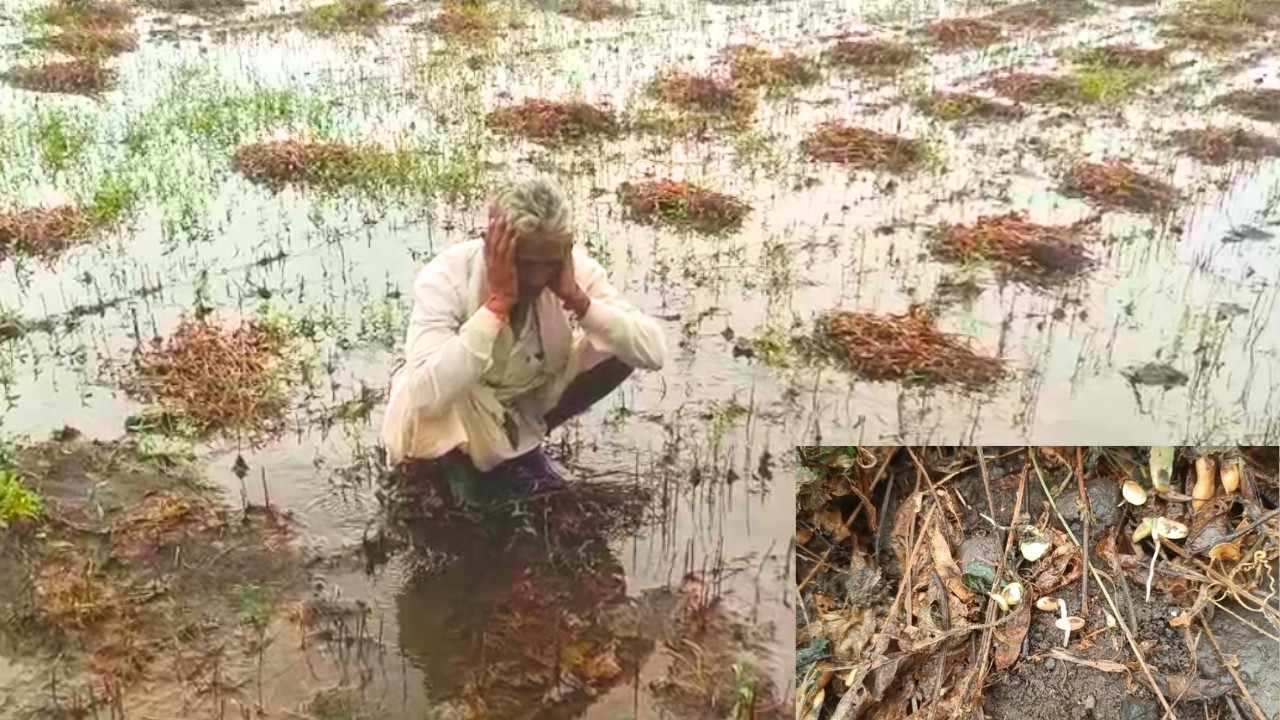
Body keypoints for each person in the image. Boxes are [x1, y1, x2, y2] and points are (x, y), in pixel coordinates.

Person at [381, 177, 667, 507]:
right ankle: (454, 466)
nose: (536, 278)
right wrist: (498, 305)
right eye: (524, 262)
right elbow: (425, 395)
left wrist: (577, 299)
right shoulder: (447, 277)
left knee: (619, 344)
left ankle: (522, 448)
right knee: (444, 388)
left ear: (565, 250)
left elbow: (653, 352)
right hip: (455, 415)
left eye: (548, 264)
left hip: (517, 406)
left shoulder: (571, 271)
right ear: (492, 244)